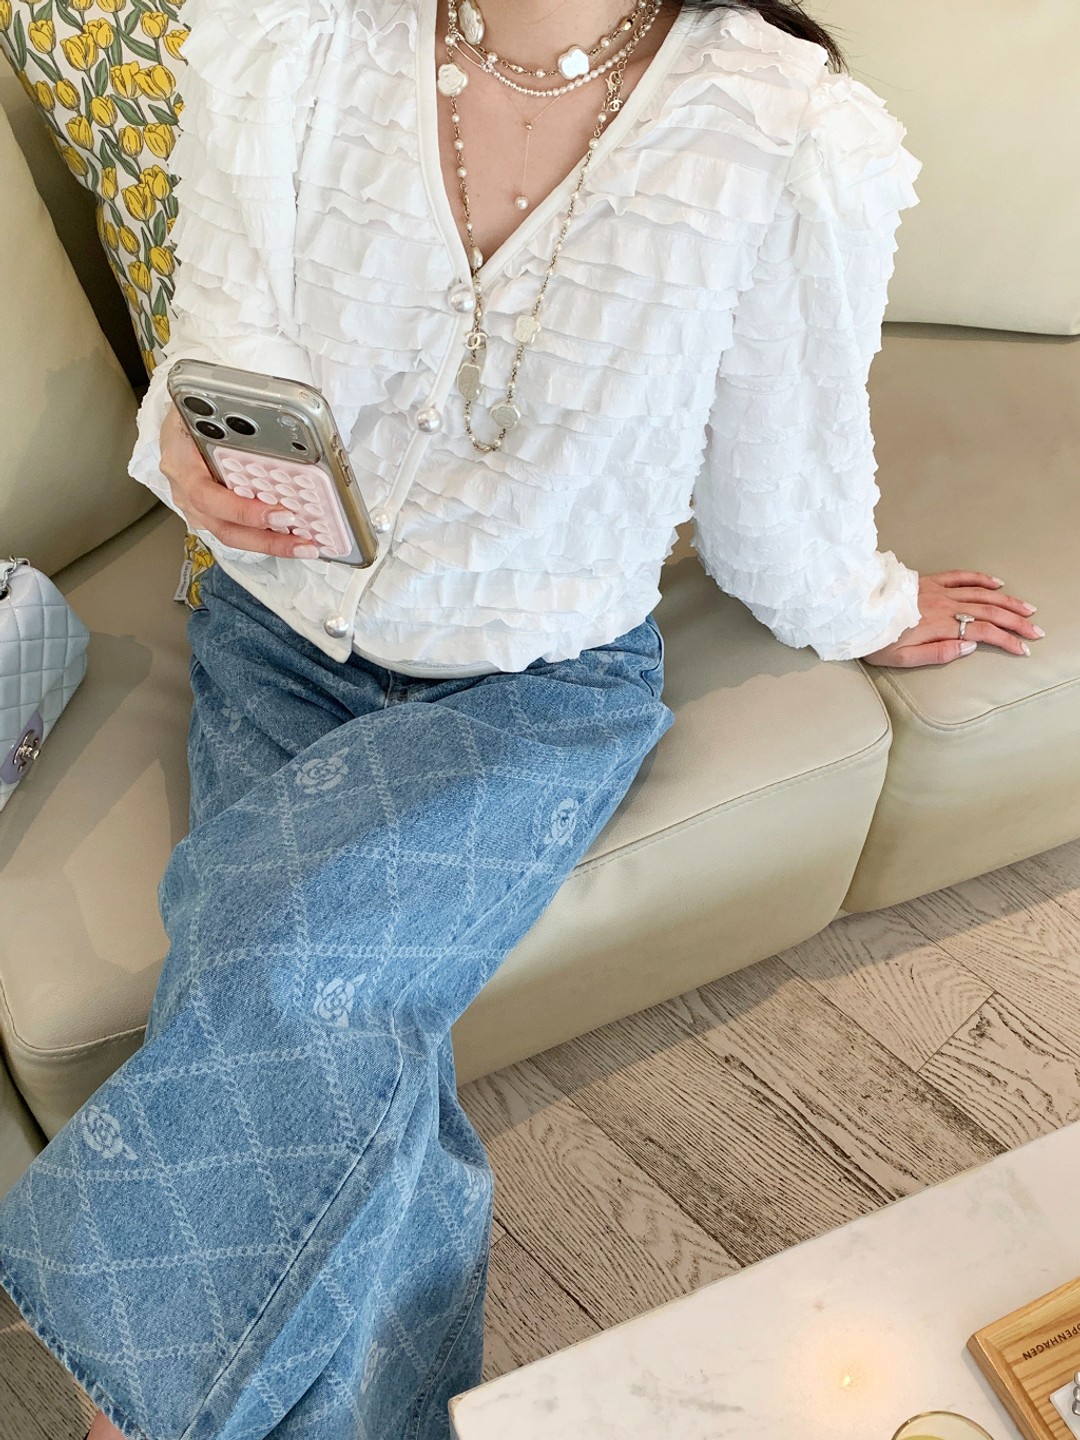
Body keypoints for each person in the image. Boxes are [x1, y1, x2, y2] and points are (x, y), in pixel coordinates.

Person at [0, 0, 1042, 1437]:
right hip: (276, 636)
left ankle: (132, 1408)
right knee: (324, 1027)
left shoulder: (783, 127)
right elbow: (215, 350)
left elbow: (777, 466)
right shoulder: (291, 34)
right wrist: (181, 444)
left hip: (540, 686)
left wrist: (866, 605)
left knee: (291, 970)